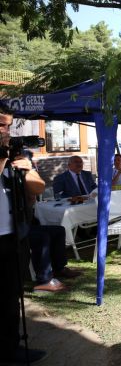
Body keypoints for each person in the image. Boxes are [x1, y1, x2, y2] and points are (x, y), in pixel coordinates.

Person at [0, 104, 49, 364]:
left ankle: (11, 348)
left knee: (11, 299)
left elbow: (38, 188)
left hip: (14, 237)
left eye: (8, 125)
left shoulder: (16, 155)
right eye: (0, 125)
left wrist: (27, 168)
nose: (6, 131)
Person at [28, 224, 81, 293]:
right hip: (14, 232)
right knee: (42, 237)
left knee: (59, 230)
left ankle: (58, 268)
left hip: (24, 227)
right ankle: (44, 281)